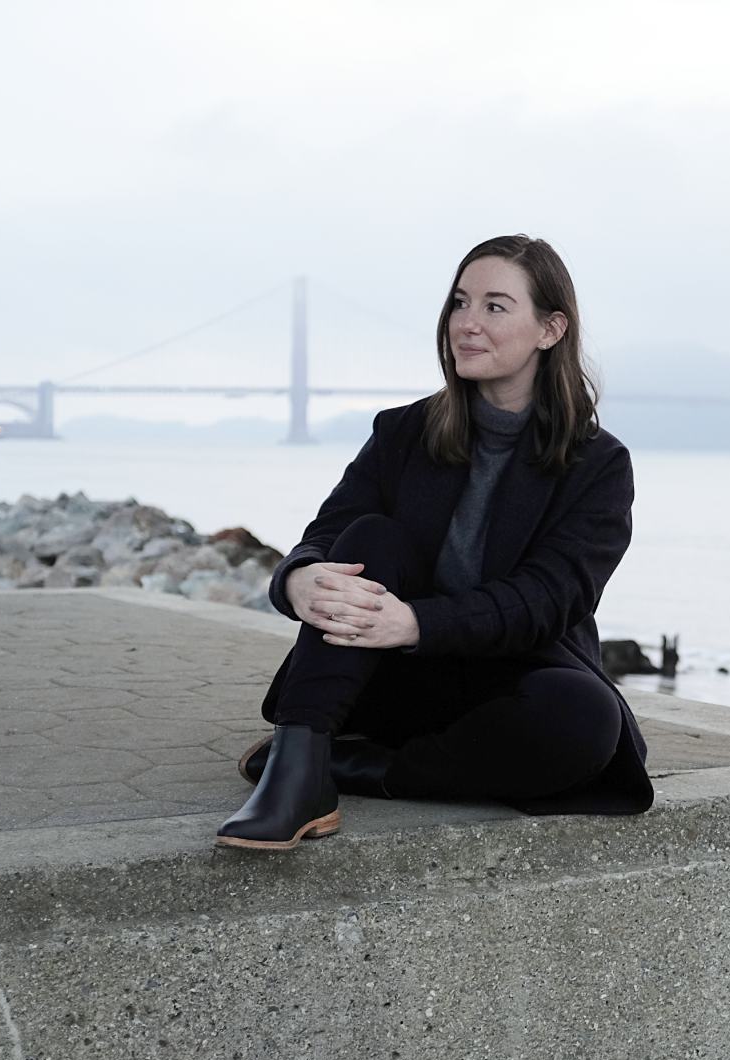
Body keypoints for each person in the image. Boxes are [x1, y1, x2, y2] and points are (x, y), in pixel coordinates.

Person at [216, 235, 654, 852]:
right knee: (370, 538)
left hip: (508, 682)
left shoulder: (597, 464)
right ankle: (297, 768)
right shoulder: (403, 431)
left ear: (550, 329)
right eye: (458, 303)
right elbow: (324, 537)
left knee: (586, 718)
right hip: (389, 680)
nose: (467, 325)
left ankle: (355, 768)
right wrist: (298, 578)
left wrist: (415, 623)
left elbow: (548, 600)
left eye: (495, 307)